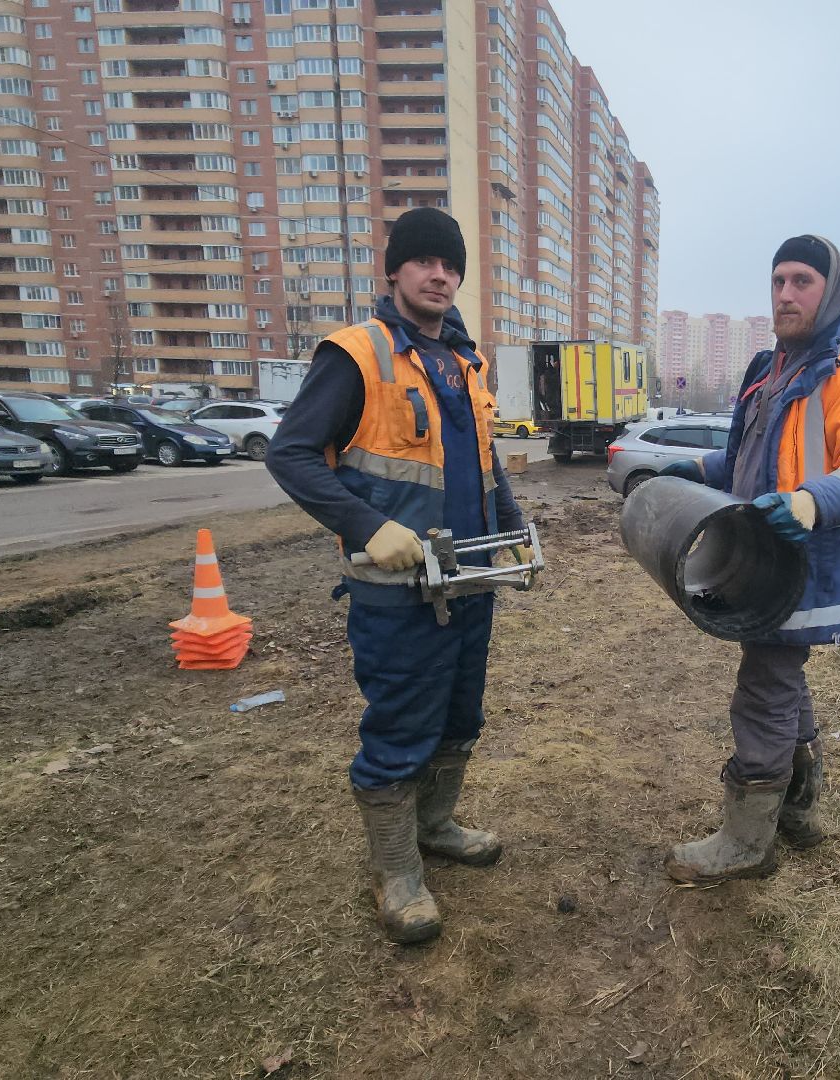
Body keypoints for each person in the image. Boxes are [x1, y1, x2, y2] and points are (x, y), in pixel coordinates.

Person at [266, 207, 526, 943]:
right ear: (395, 271)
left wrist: (510, 523)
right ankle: (394, 870)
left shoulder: (464, 364)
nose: (441, 274)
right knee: (401, 726)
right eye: (424, 262)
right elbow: (289, 455)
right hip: (399, 594)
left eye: (451, 265)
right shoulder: (357, 354)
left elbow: (483, 458)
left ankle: (435, 826)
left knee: (458, 719)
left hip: (469, 580)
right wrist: (368, 526)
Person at [659, 234, 840, 884]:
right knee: (783, 683)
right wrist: (695, 469)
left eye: (802, 281)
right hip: (770, 558)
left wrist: (809, 502)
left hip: (804, 565)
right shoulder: (777, 368)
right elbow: (751, 460)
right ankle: (797, 811)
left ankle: (748, 842)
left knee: (764, 691)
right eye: (779, 281)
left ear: (832, 290)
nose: (787, 294)